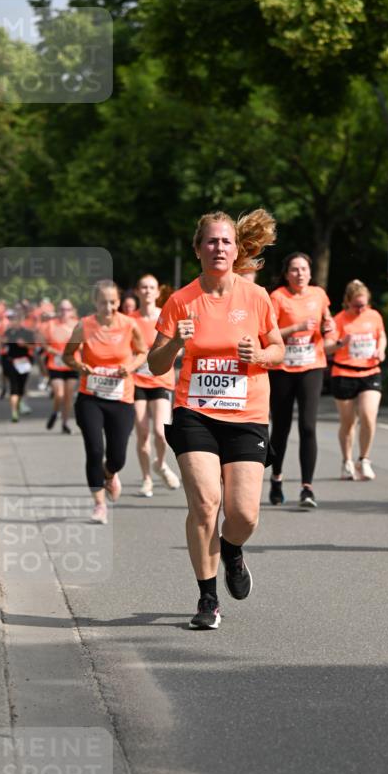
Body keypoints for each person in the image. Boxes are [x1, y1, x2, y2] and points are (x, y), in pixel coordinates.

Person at [147, 209, 284, 630]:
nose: (219, 248)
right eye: (211, 241)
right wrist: (175, 343)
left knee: (243, 515)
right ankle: (208, 599)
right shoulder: (180, 301)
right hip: (196, 412)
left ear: (236, 248)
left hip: (247, 414)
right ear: (198, 249)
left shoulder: (256, 297)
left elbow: (278, 348)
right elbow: (155, 364)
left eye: (225, 241)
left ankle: (231, 549)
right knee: (206, 503)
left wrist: (259, 355)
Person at [63, 280, 147, 524]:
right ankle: (99, 504)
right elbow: (67, 355)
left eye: (113, 302)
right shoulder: (84, 326)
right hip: (91, 397)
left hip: (121, 396)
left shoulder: (129, 325)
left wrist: (128, 367)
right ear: (95, 303)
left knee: (117, 456)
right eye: (103, 302)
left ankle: (110, 474)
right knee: (94, 449)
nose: (108, 307)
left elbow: (142, 353)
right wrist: (80, 366)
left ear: (118, 302)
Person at [267, 252, 334, 509]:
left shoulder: (318, 294)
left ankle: (307, 488)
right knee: (281, 429)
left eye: (304, 269)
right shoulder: (278, 297)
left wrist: (329, 331)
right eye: (294, 269)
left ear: (310, 272)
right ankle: (276, 478)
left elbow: (328, 323)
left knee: (308, 426)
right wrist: (296, 328)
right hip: (282, 368)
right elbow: (268, 334)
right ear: (286, 274)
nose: (300, 274)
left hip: (311, 365)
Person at [324, 279, 387, 480]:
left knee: (369, 416)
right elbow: (327, 348)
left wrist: (381, 350)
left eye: (364, 305)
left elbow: (382, 335)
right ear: (347, 302)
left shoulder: (374, 315)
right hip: (344, 374)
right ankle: (347, 460)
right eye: (356, 305)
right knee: (348, 422)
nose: (361, 309)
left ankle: (364, 459)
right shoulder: (339, 320)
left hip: (370, 372)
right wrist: (342, 342)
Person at [130, 273, 180, 497]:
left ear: (158, 292)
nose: (148, 291)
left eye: (152, 287)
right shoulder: (129, 320)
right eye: (144, 287)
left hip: (162, 380)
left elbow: (179, 344)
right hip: (137, 381)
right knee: (142, 433)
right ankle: (146, 479)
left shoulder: (165, 316)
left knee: (160, 432)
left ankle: (160, 464)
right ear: (137, 292)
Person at [44, 299, 79, 433]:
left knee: (69, 396)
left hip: (72, 365)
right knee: (59, 394)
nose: (65, 312)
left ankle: (65, 423)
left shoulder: (77, 325)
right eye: (62, 309)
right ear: (58, 311)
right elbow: (45, 344)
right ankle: (54, 412)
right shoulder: (51, 325)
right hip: (55, 365)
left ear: (72, 311)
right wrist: (55, 351)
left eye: (68, 309)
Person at [2, 308, 37, 422]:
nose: (14, 321)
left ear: (21, 320)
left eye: (16, 319)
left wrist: (25, 345)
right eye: (12, 319)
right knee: (14, 388)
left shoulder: (27, 333)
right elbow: (2, 344)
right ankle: (14, 412)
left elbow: (33, 346)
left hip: (24, 363)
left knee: (21, 388)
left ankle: (18, 406)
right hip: (12, 363)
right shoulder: (8, 332)